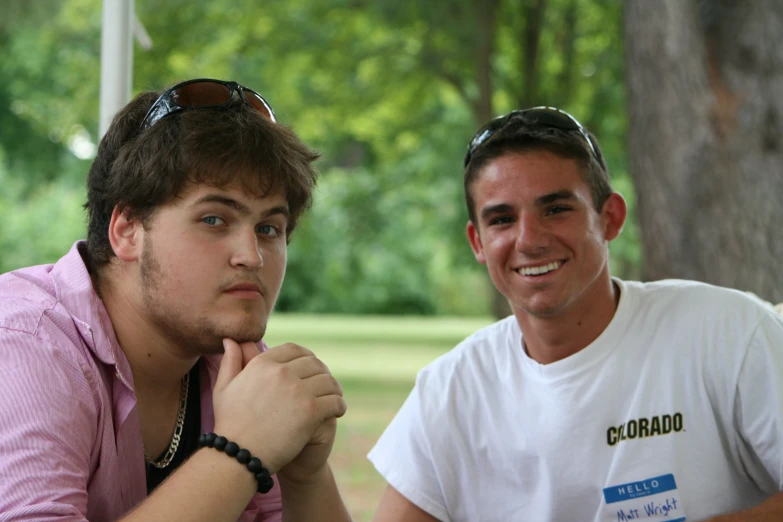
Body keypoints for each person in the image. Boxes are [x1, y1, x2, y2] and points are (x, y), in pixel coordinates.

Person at [368, 107, 783, 522]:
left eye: (556, 210)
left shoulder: (727, 332)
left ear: (610, 218)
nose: (529, 240)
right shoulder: (451, 390)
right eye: (502, 219)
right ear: (477, 241)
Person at [0, 79, 351, 521]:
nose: (252, 256)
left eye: (269, 228)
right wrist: (240, 451)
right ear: (127, 230)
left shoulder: (235, 368)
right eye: (213, 219)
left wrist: (308, 476)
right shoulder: (25, 344)